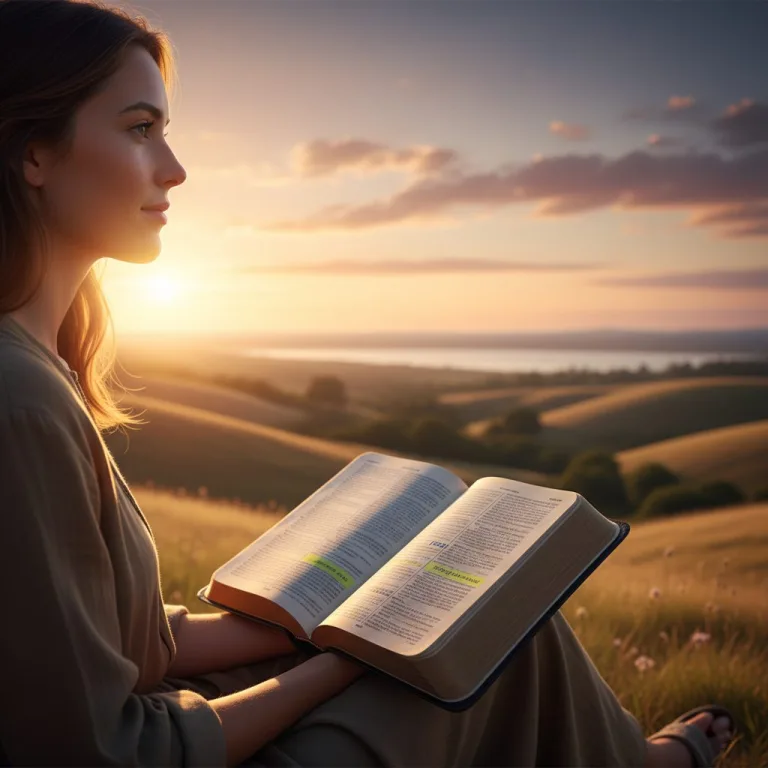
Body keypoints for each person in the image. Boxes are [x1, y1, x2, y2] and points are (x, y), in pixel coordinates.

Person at [0, 1, 736, 766]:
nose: (175, 168)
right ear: (34, 154)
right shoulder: (19, 403)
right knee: (478, 645)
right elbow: (104, 748)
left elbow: (124, 639)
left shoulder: (39, 367)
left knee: (477, 616)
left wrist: (321, 622)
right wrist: (340, 666)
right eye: (139, 128)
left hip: (160, 716)